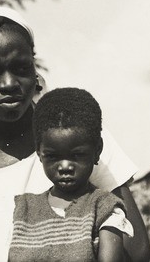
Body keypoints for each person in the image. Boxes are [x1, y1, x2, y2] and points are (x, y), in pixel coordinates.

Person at [0, 7, 150, 262]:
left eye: (20, 68)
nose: (8, 84)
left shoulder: (77, 131)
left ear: (34, 65)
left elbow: (137, 251)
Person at [8, 87, 134, 262]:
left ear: (97, 150)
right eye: (53, 156)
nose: (65, 166)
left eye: (76, 155)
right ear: (39, 153)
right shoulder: (25, 209)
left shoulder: (104, 208)